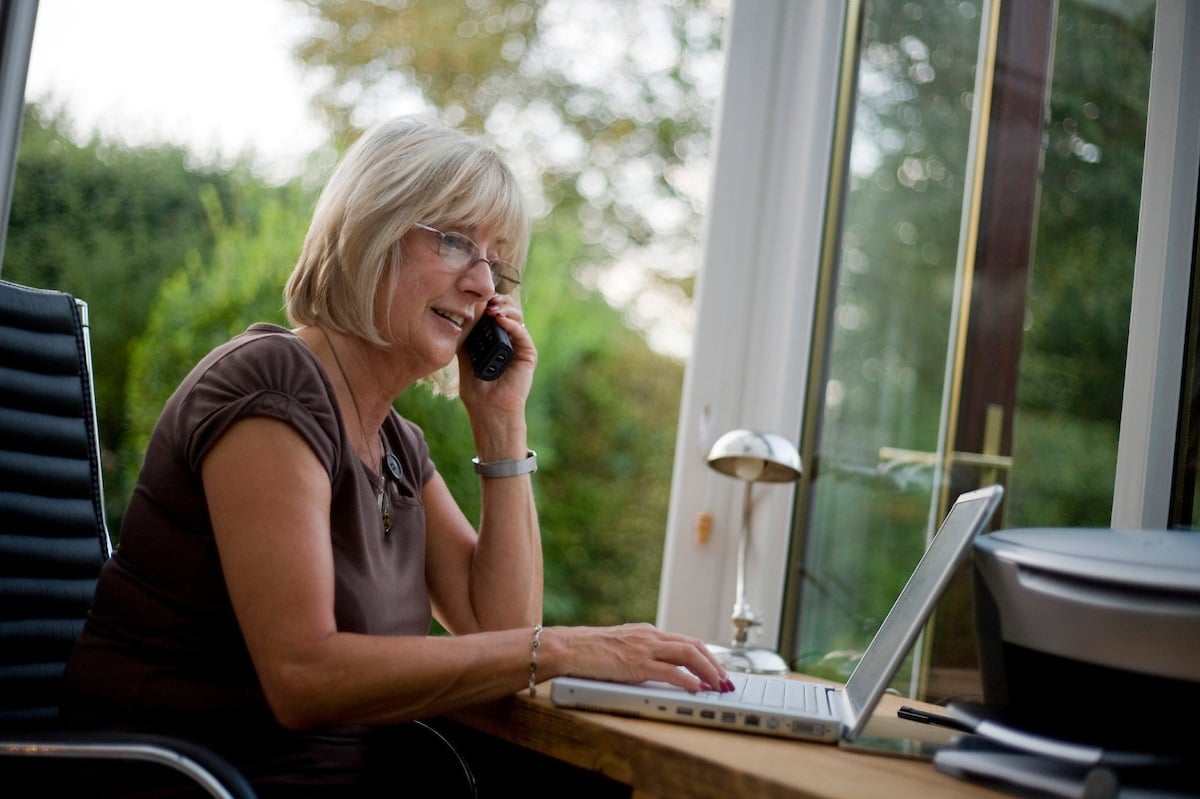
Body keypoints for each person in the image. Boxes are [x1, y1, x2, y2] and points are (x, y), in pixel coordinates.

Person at [60, 116, 732, 798]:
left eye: (496, 261)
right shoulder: (269, 383)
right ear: (369, 229)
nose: (481, 283)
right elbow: (303, 676)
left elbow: (499, 628)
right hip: (190, 781)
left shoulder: (396, 442)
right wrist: (561, 647)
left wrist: (499, 423)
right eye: (455, 241)